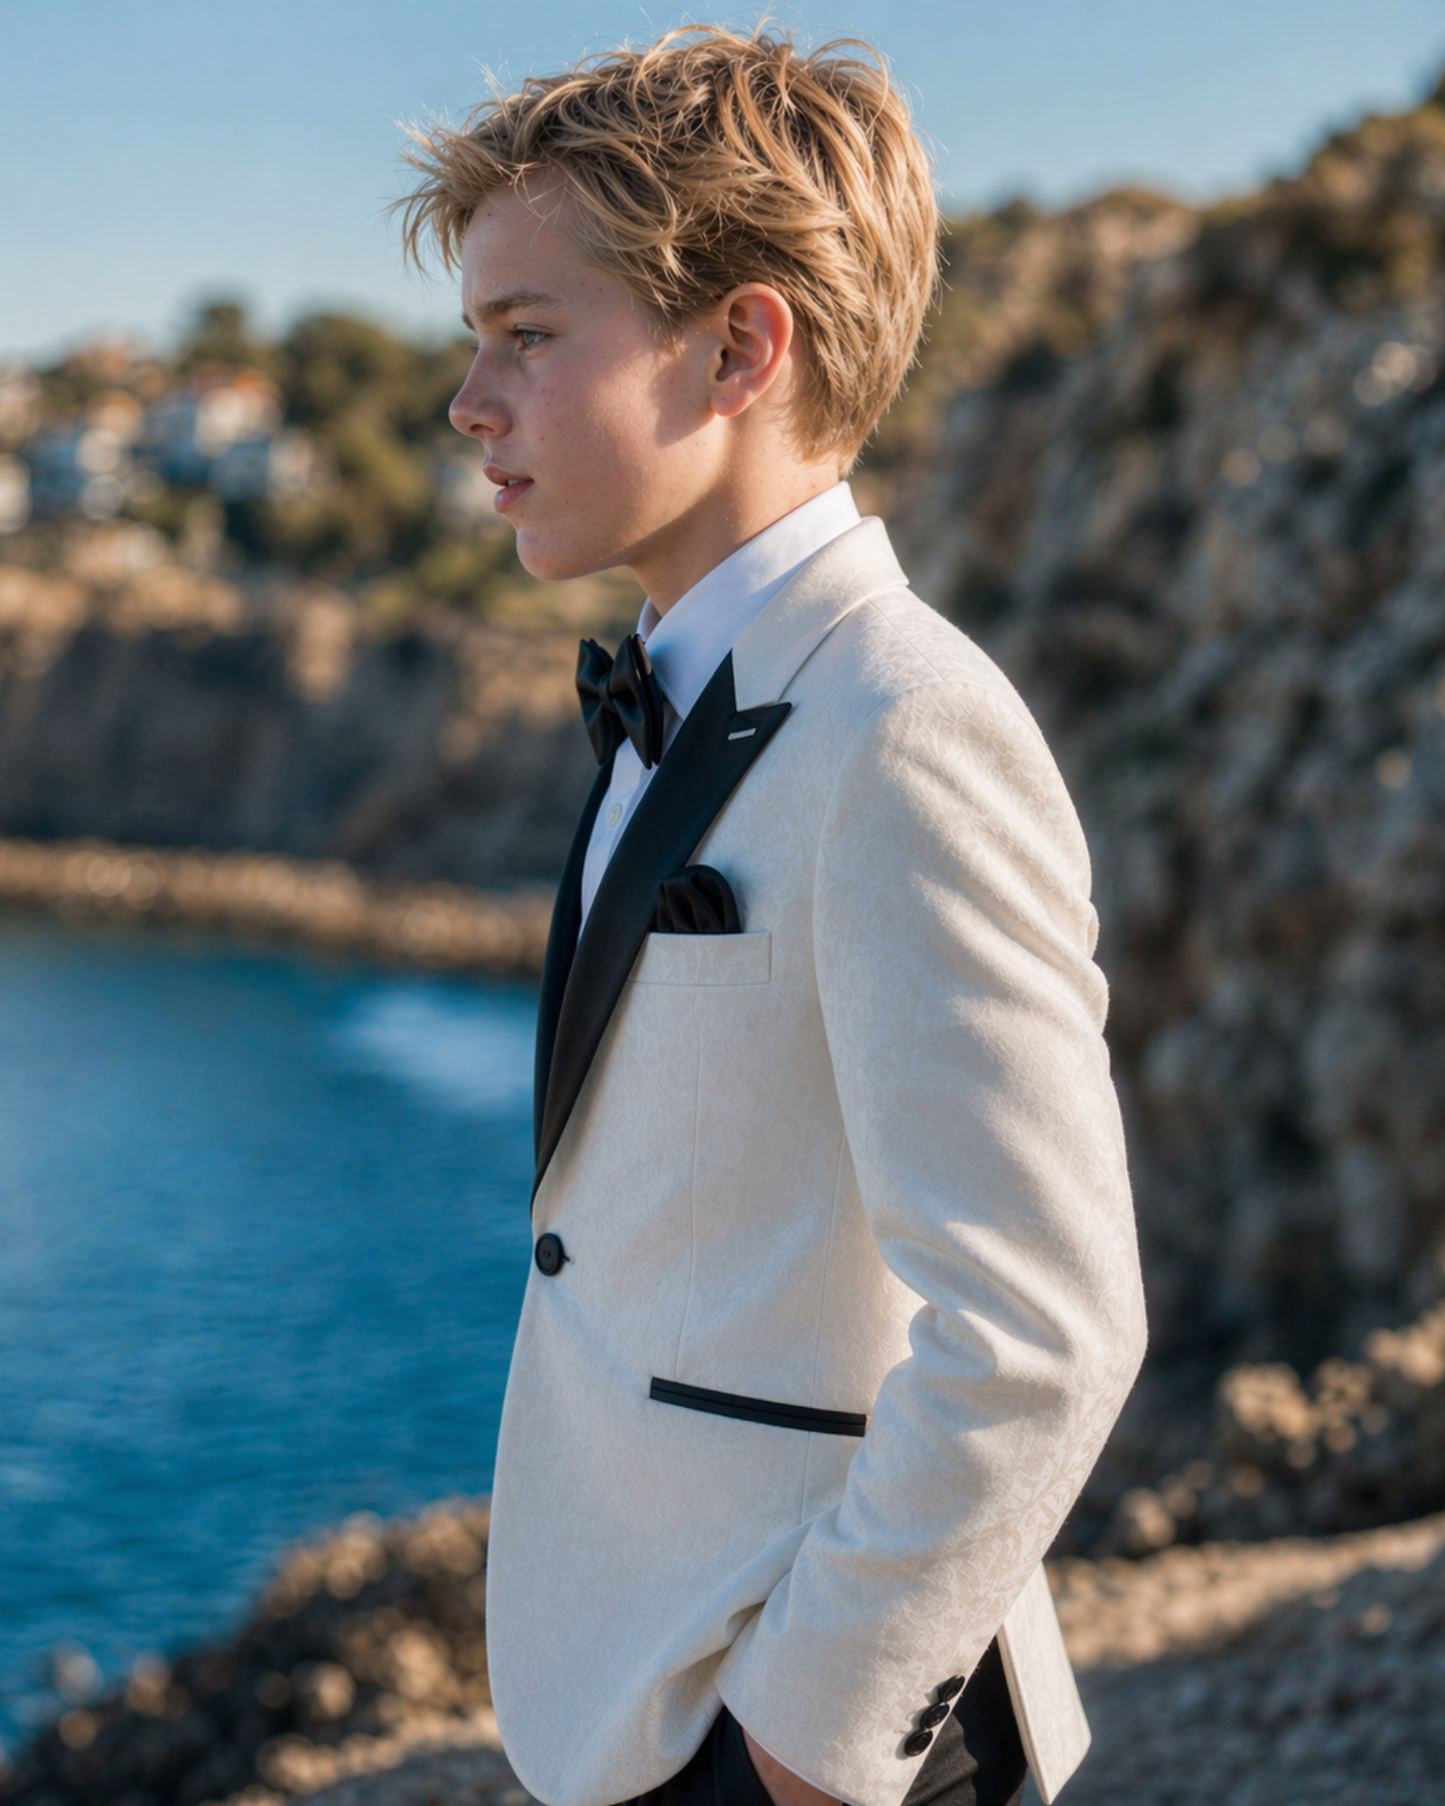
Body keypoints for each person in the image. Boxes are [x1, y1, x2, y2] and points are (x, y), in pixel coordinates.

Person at [400, 26, 1146, 1806]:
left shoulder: (905, 725)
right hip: (654, 1686)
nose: (470, 402)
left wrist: (812, 1739)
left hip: (805, 1726)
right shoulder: (699, 687)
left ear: (741, 345)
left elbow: (1045, 1325)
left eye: (527, 334)